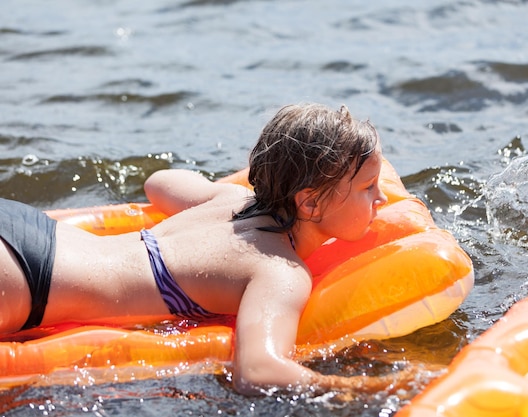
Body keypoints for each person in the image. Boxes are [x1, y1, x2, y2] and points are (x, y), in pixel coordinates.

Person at [0, 103, 411, 394]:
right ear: (310, 202)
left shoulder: (228, 202)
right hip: (29, 281)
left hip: (29, 229)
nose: (382, 200)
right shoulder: (280, 272)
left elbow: (159, 182)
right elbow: (258, 372)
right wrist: (368, 385)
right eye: (367, 188)